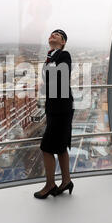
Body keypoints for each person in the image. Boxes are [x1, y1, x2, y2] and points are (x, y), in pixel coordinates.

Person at [34, 29, 75, 199]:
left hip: (61, 108)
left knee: (46, 147)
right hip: (54, 106)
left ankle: (50, 184)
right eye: (51, 34)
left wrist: (45, 84)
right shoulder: (50, 58)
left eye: (57, 35)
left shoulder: (64, 55)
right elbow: (50, 81)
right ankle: (66, 181)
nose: (53, 35)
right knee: (61, 145)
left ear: (63, 41)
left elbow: (60, 79)